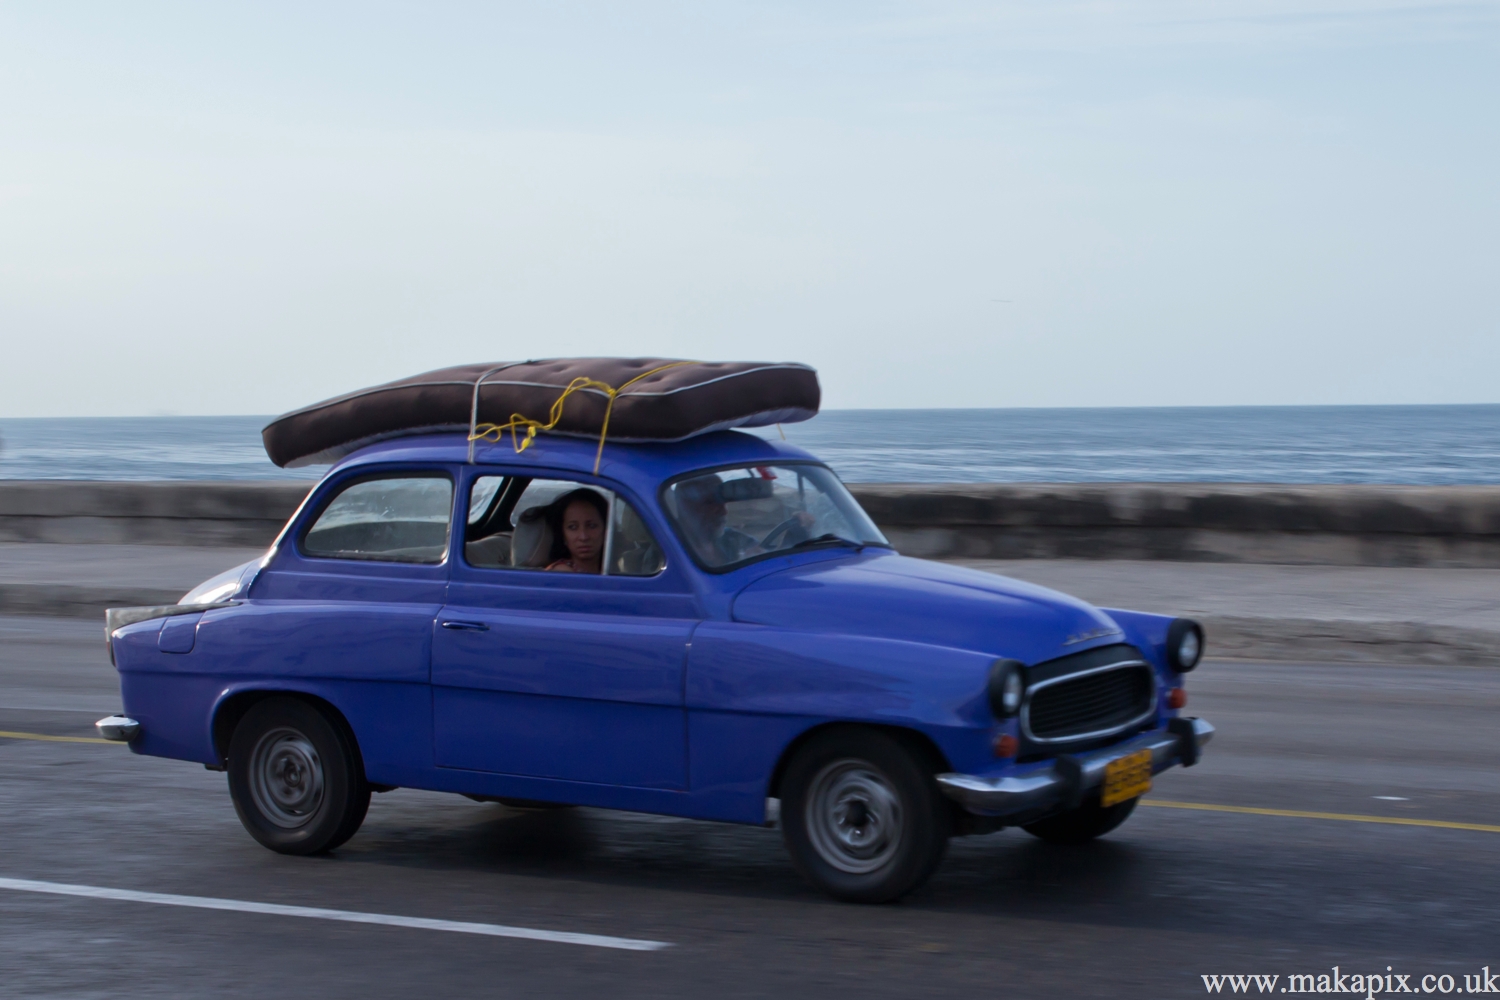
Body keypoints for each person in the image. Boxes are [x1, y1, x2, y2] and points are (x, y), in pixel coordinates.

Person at [544, 488, 609, 573]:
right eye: (573, 527)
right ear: (563, 535)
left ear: (606, 530)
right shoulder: (561, 572)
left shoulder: (613, 569)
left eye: (592, 526)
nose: (583, 537)